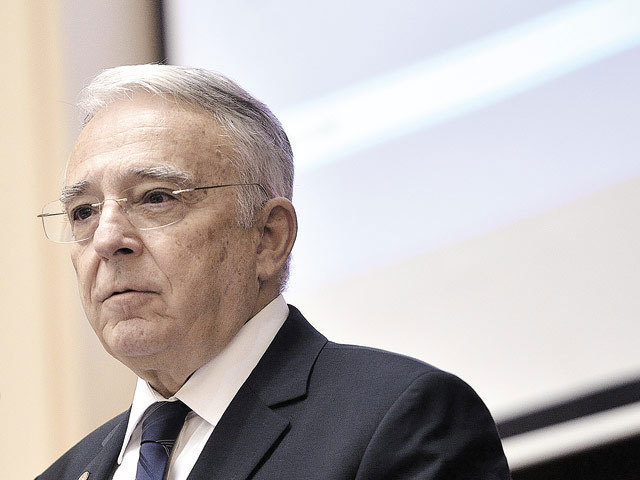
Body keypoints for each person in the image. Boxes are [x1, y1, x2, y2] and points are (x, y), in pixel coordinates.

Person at [36, 64, 511, 480]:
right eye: (83, 212)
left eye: (156, 197)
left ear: (268, 238)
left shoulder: (399, 420)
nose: (107, 239)